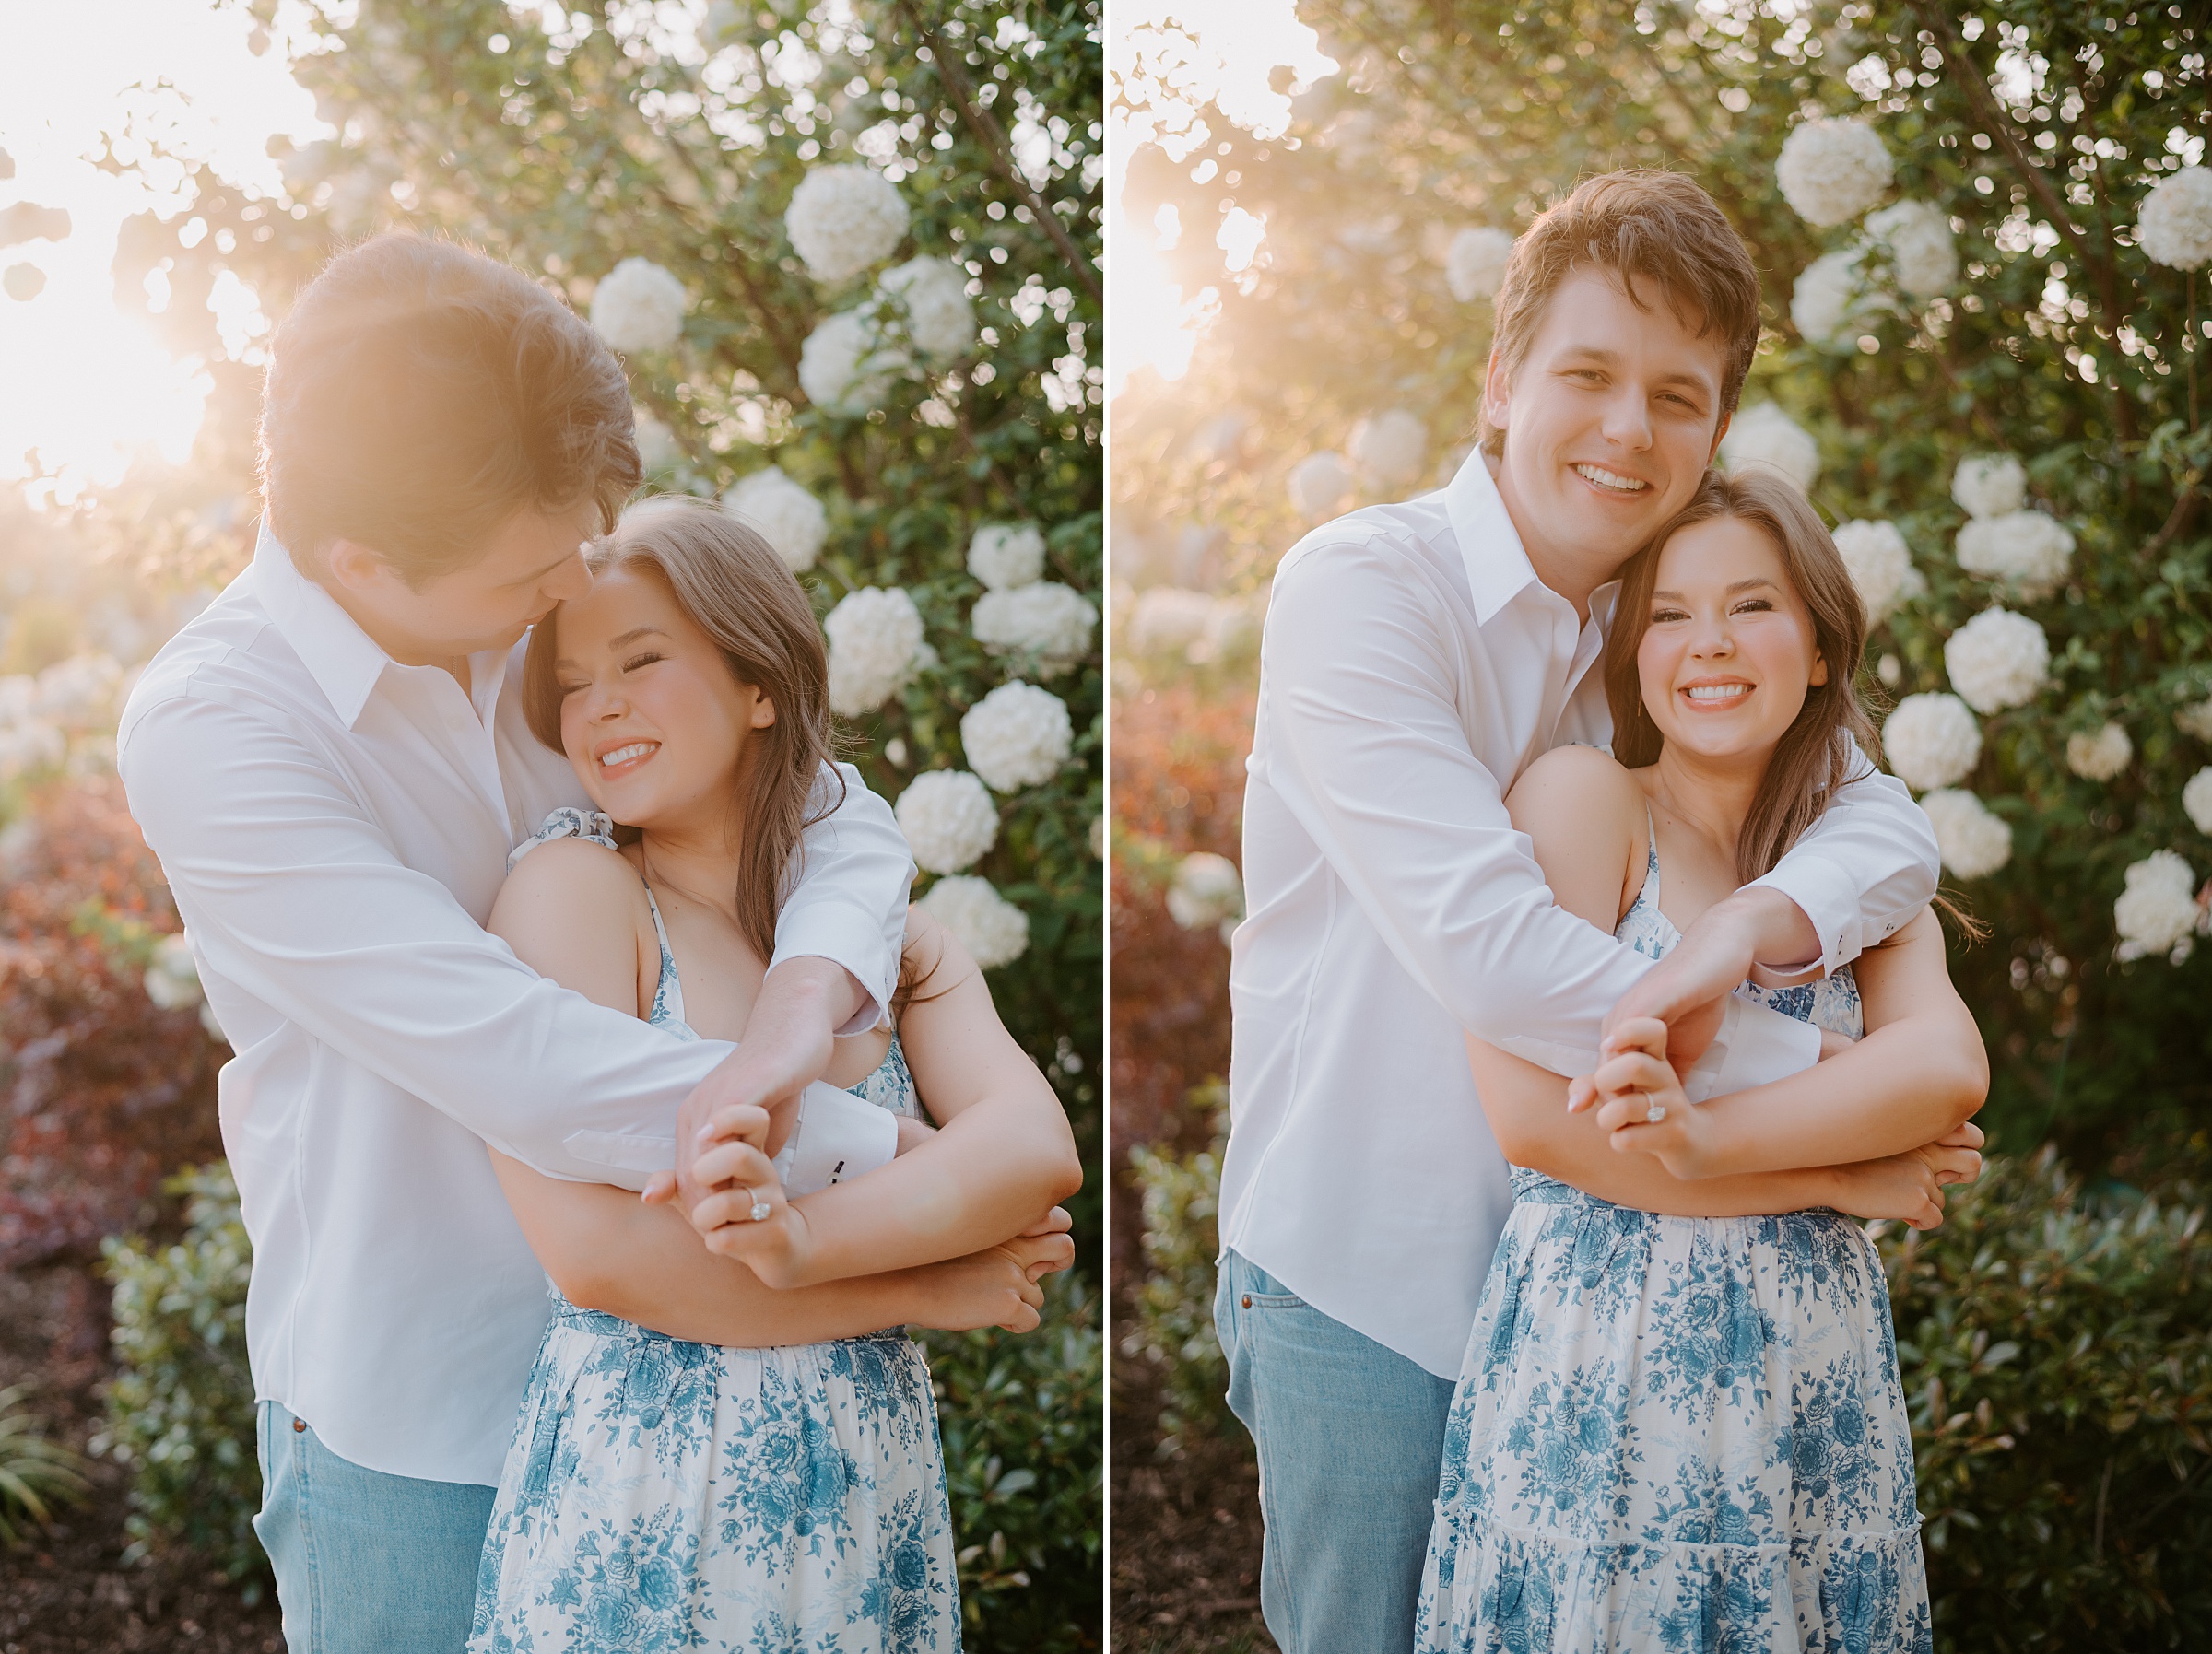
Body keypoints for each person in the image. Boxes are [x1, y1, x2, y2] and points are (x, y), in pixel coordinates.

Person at [117, 234, 1073, 1654]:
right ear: (362, 560)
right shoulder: (220, 727)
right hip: (426, 1415)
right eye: (535, 573)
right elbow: (534, 1062)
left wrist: (800, 1013)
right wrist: (913, 1186)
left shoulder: (541, 602)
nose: (571, 590)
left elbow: (838, 810)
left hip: (722, 1372)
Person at [1216, 171, 1975, 1654]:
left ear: (1713, 436)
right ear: (1502, 384)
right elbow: (1501, 960)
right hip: (1373, 1277)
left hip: (1593, 1299)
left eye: (1677, 397)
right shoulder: (1367, 590)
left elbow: (1880, 817)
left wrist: (1745, 935)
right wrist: (1845, 1117)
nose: (1629, 428)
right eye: (1588, 375)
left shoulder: (1671, 630)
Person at [465, 499, 1083, 1650]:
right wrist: (920, 1280)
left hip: (864, 1479)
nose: (599, 703)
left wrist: (802, 1244)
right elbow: (599, 1257)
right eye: (573, 683)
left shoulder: (888, 947)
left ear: (760, 683)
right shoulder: (575, 894)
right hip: (650, 1493)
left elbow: (1034, 1158)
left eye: (642, 661)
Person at [1417, 466, 1983, 1651]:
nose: (1708, 643)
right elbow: (1540, 1125)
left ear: (1823, 647)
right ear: (1631, 656)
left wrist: (1709, 1134)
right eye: (1669, 614)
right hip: (1604, 1358)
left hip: (1807, 1369)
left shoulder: (1856, 871)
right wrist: (1835, 1169)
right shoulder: (1585, 803)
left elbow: (1939, 1075)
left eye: (1751, 605)